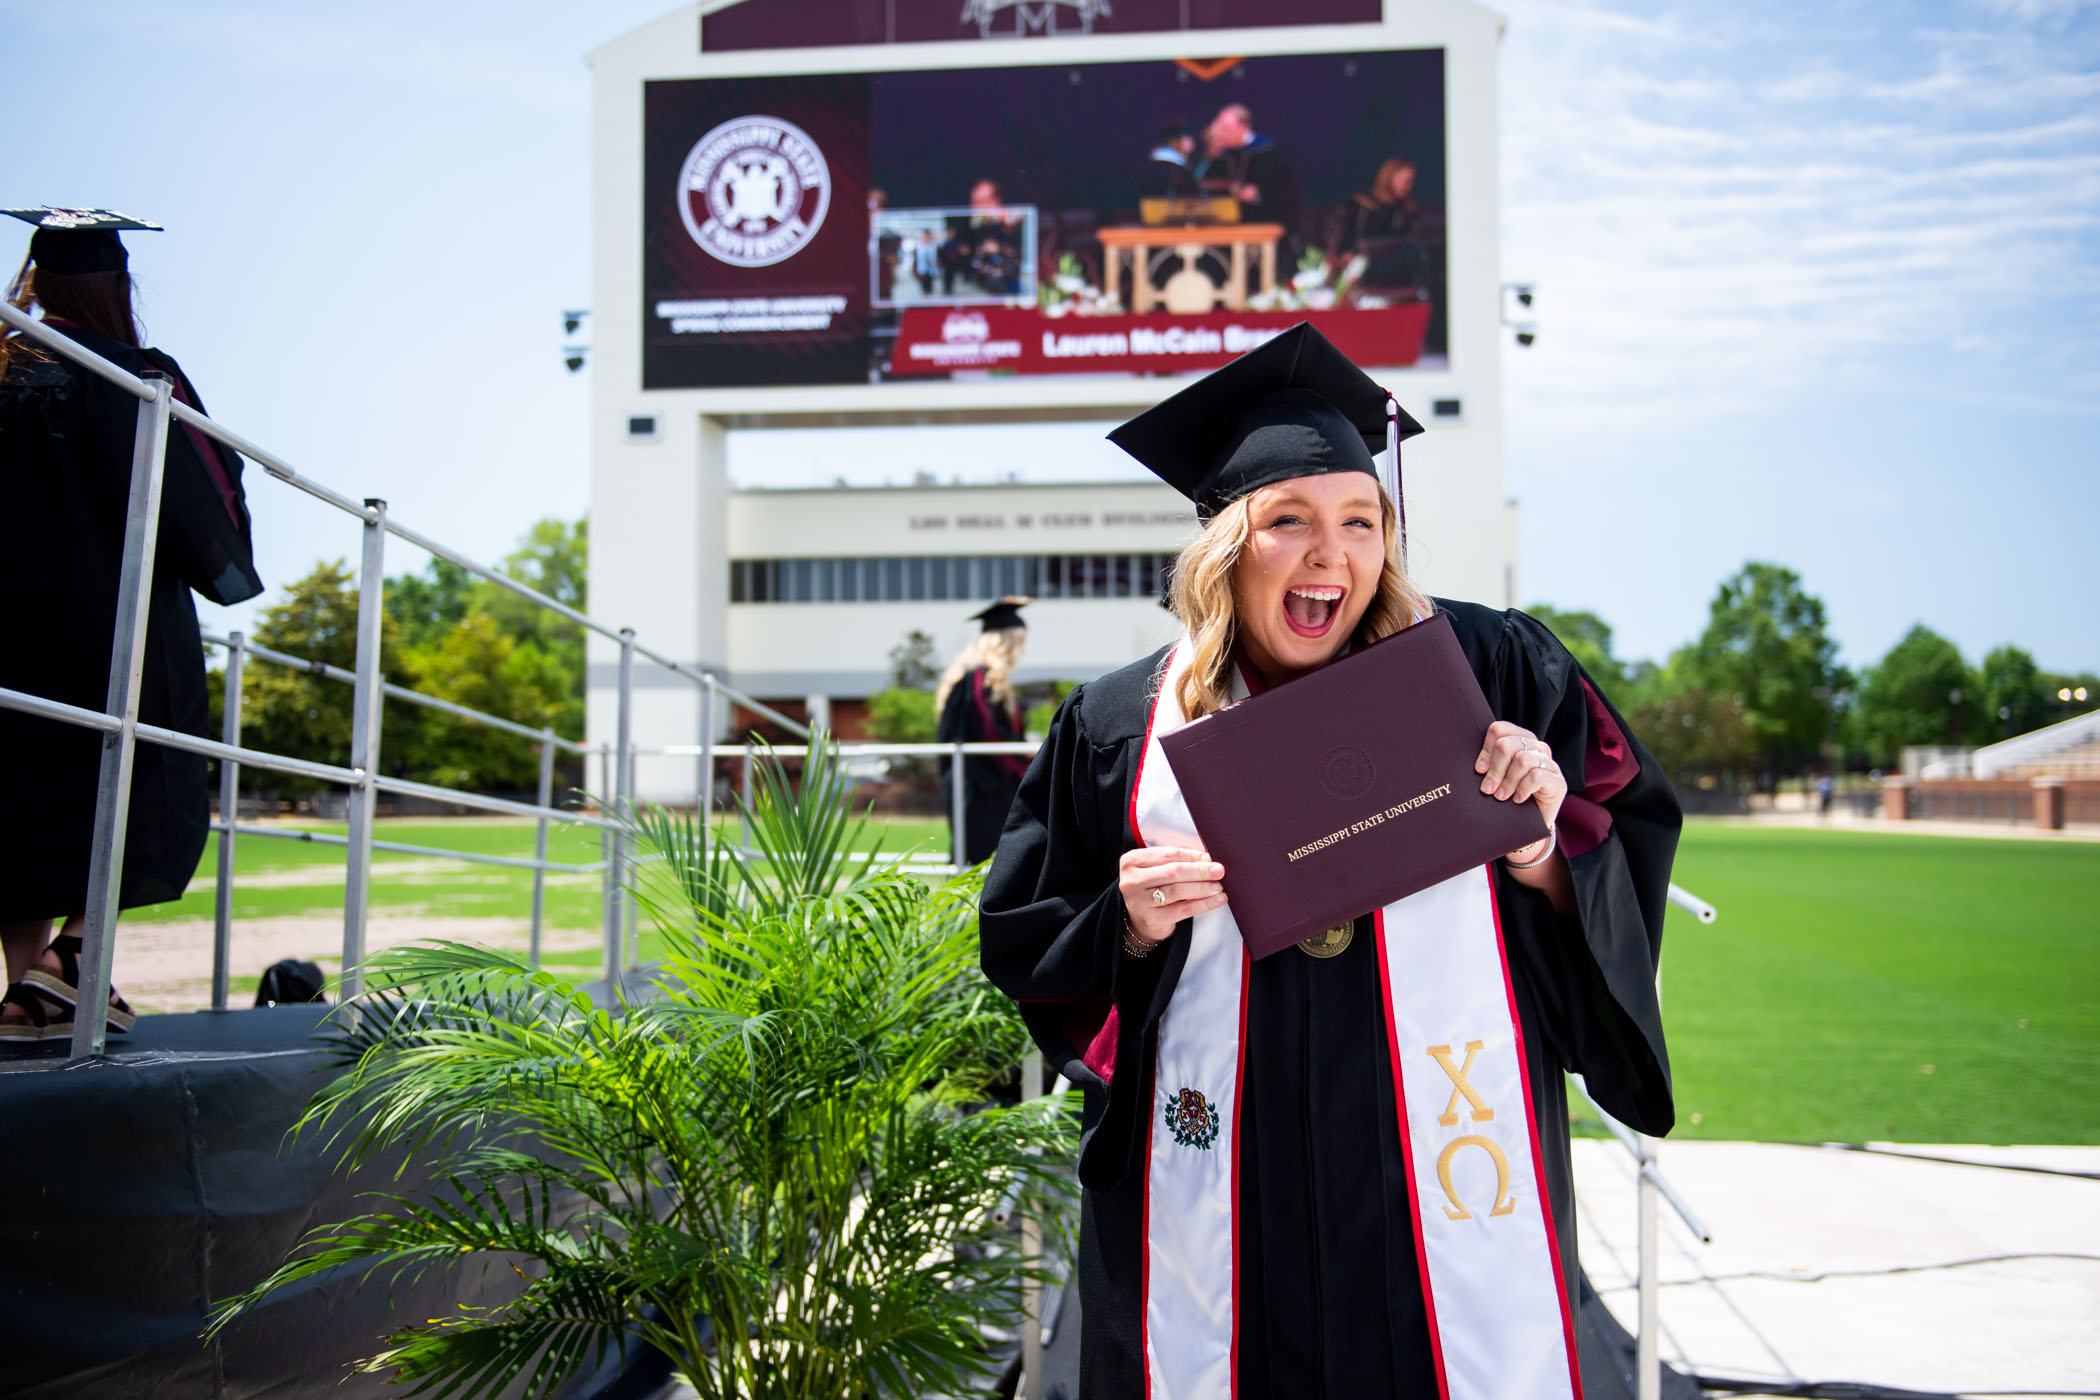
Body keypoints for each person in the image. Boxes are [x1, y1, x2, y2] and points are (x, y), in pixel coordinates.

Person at [979, 324, 1679, 1398]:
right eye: (1290, 521)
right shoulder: (1120, 723)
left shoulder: (1494, 668)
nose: (1332, 554)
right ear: (1224, 544)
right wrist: (1125, 921)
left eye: (1363, 521)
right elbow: (1027, 930)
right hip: (1218, 1181)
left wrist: (1543, 840)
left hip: (1435, 1176)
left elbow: (1619, 829)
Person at [0, 209, 263, 1043]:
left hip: (9, 633)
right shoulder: (131, 375)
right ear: (116, 285)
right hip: (111, 628)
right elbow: (199, 504)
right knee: (138, 774)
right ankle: (76, 963)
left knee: (18, 797)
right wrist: (227, 566)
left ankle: (26, 992)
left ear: (33, 284)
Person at [935, 598, 1032, 867]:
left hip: (978, 782)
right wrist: (1023, 756)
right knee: (985, 856)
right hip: (983, 787)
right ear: (1005, 642)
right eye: (1019, 641)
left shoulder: (971, 678)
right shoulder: (980, 681)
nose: (1021, 650)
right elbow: (990, 732)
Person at [1194, 103, 1300, 243]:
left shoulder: (1266, 152)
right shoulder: (1220, 154)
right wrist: (1210, 156)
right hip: (1226, 229)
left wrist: (1257, 195)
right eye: (1219, 128)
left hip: (1263, 224)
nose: (1220, 133)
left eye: (1226, 129)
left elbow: (1285, 193)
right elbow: (1200, 182)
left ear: (1243, 127)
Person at [1328, 156, 1430, 295]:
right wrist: (1344, 255)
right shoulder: (1359, 205)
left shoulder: (1406, 211)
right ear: (1389, 178)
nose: (1408, 186)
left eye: (1410, 182)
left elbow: (1413, 242)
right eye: (1404, 181)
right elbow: (1338, 237)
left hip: (1394, 271)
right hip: (1360, 270)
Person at [1142, 120, 1201, 202]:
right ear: (1173, 142)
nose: (1191, 141)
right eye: (1186, 137)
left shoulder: (1166, 165)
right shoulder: (1170, 167)